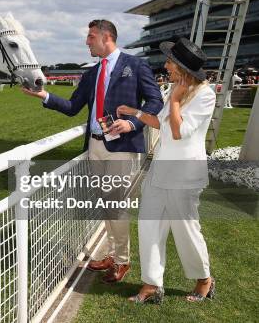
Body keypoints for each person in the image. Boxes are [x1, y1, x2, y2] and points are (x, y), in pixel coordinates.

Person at [22, 19, 163, 283]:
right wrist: (44, 96)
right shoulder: (91, 74)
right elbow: (73, 106)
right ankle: (112, 253)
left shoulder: (136, 65)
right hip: (95, 145)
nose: (87, 42)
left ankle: (122, 261)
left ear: (106, 37)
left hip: (122, 145)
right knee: (106, 203)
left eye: (90, 37)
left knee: (116, 203)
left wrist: (132, 122)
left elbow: (156, 101)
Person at [118, 38, 216, 304]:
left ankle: (204, 279)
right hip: (159, 171)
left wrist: (174, 100)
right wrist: (135, 113)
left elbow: (179, 130)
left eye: (170, 62)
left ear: (183, 68)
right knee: (149, 226)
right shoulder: (174, 88)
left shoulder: (205, 94)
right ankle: (151, 285)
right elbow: (161, 123)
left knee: (186, 230)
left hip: (184, 175)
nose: (166, 66)